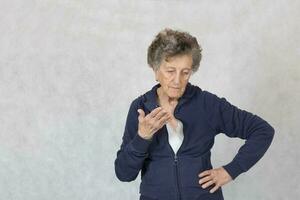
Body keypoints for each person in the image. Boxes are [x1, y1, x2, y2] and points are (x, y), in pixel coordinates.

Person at [114, 28, 275, 200]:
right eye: (170, 71)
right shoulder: (140, 108)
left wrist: (231, 170)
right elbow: (124, 174)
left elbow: (262, 130)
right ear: (155, 69)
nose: (177, 80)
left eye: (185, 72)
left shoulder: (207, 104)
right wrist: (142, 137)